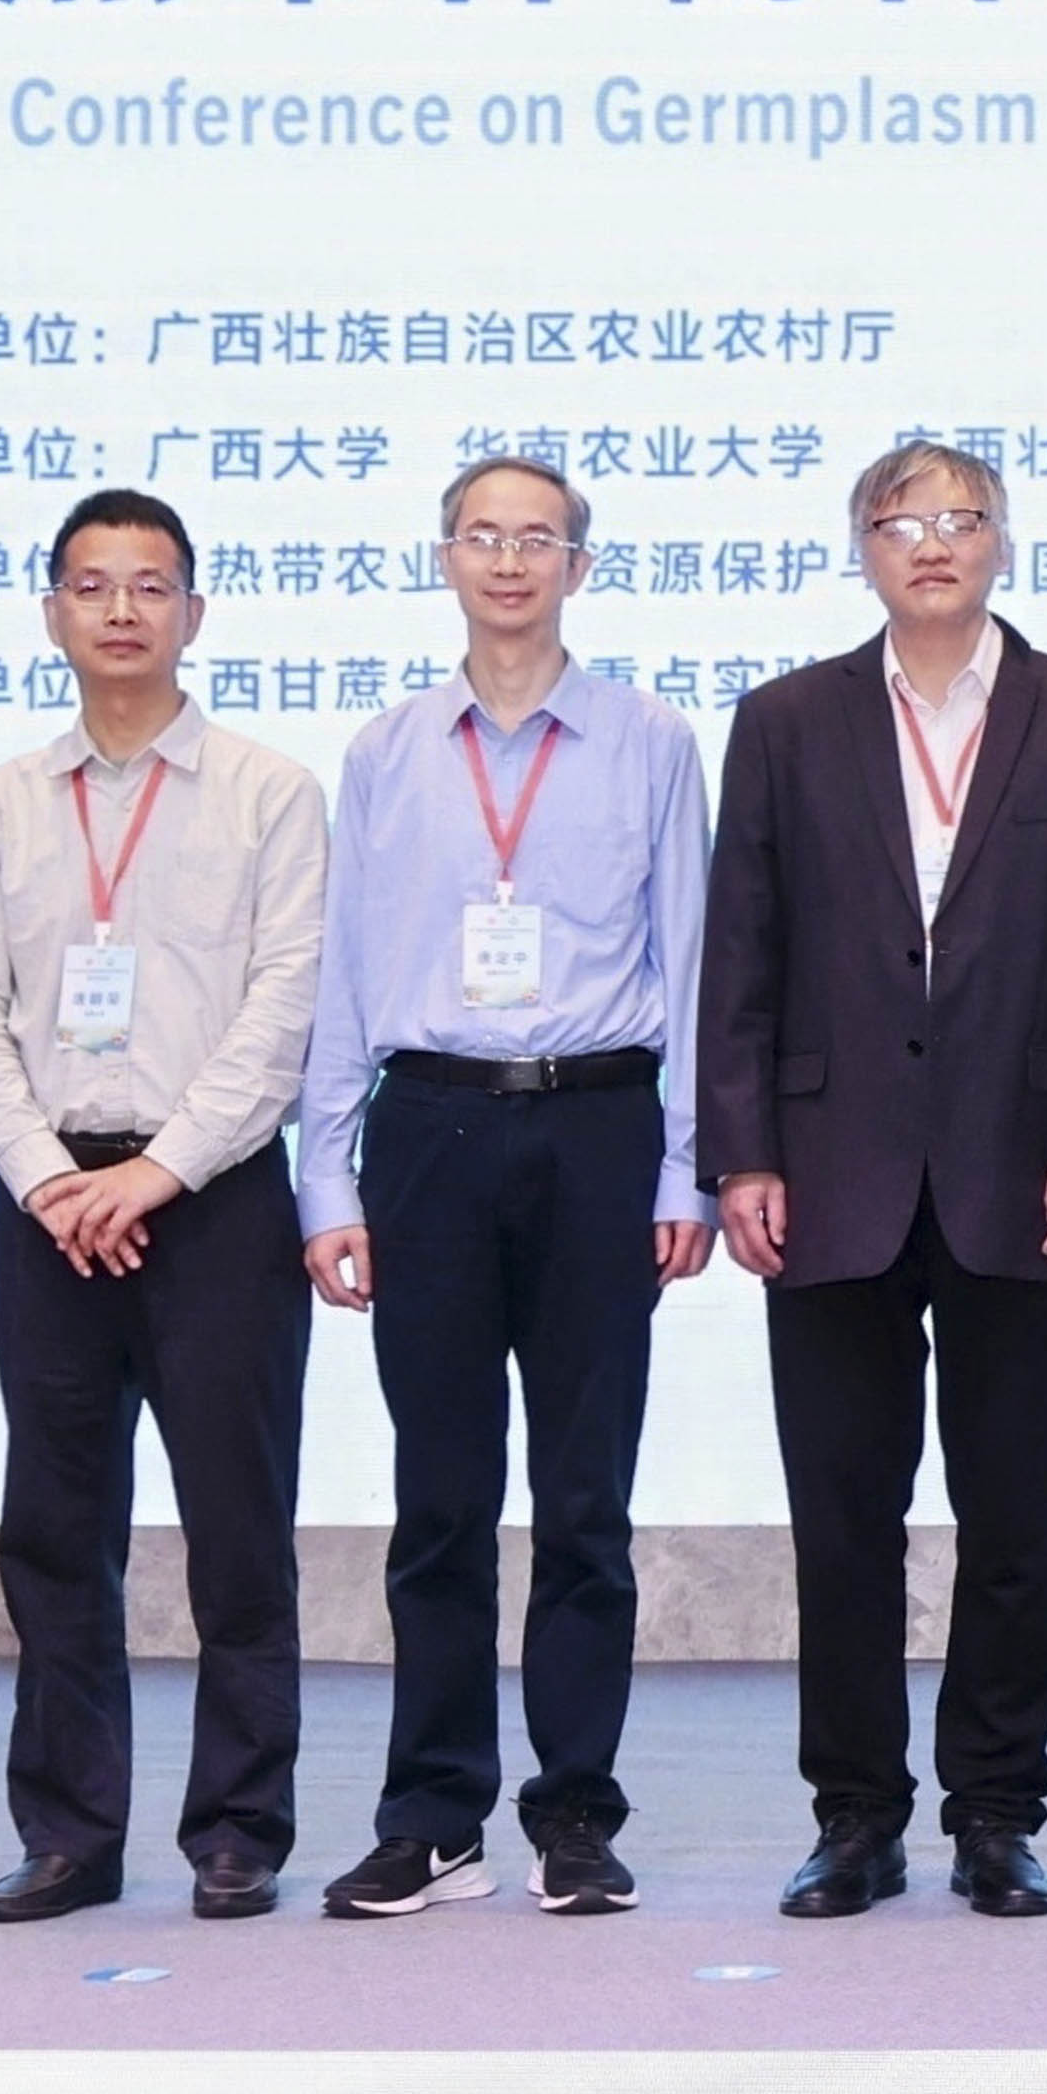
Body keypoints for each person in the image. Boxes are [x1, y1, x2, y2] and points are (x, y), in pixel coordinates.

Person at [707, 439, 1047, 1922]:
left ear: (1003, 543)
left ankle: (997, 1812)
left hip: (1028, 1174)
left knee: (1012, 1517)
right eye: (901, 521)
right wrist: (741, 1150)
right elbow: (742, 944)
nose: (933, 542)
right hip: (826, 1173)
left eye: (963, 518)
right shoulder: (786, 720)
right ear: (863, 549)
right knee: (842, 1521)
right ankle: (854, 1815)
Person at [301, 455, 710, 1920]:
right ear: (447, 559)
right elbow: (347, 970)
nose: (512, 560)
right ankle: (433, 1817)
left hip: (598, 1126)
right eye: (486, 536)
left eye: (541, 539)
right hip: (429, 1130)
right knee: (441, 1498)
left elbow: (693, 960)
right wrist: (325, 1180)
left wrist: (686, 1167)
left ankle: (577, 1812)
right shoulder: (387, 751)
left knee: (586, 1499)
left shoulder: (651, 741)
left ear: (579, 568)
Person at [0, 491, 332, 1924]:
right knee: (55, 1529)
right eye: (92, 585)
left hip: (214, 1202)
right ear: (51, 612)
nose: (121, 609)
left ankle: (238, 1828)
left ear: (194, 612)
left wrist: (158, 1170)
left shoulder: (270, 792)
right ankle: (68, 1832)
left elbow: (284, 1010)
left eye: (150, 585)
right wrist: (51, 1179)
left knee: (240, 1525)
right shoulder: (0, 803)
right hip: (50, 1206)